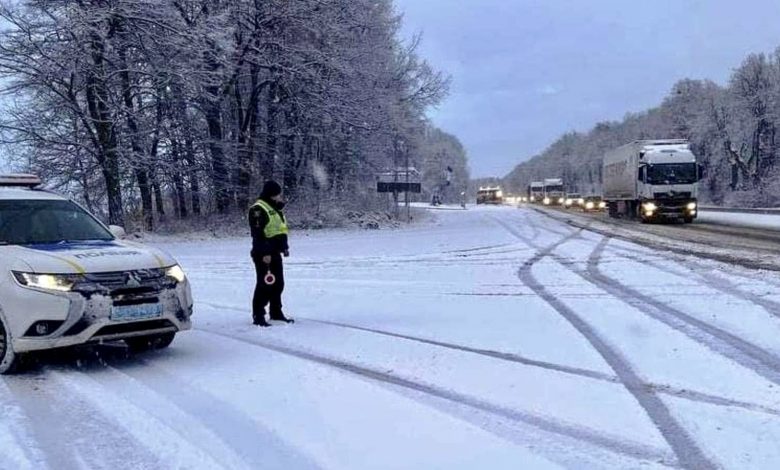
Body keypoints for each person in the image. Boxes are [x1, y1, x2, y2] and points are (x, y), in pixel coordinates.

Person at [248, 180, 294, 326]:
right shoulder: (258, 209)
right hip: (263, 254)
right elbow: (258, 234)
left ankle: (276, 312)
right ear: (271, 194)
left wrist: (284, 247)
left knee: (278, 283)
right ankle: (258, 315)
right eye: (278, 194)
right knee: (265, 284)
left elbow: (280, 230)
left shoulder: (275, 209)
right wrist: (265, 253)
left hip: (275, 252)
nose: (280, 196)